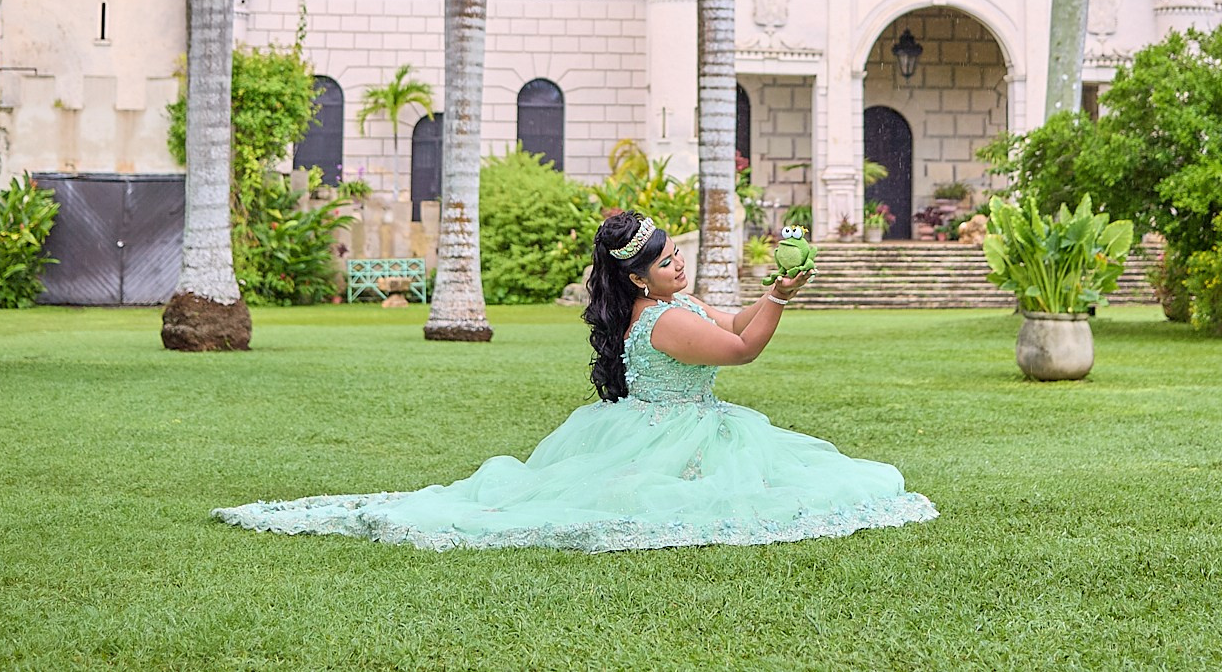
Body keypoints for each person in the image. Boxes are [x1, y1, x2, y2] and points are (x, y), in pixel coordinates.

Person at [214, 209, 935, 552]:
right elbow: (741, 347)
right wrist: (781, 299)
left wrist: (777, 285)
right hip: (672, 429)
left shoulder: (674, 302)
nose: (678, 265)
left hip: (668, 421)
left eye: (677, 253)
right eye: (665, 262)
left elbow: (734, 314)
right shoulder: (662, 323)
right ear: (636, 276)